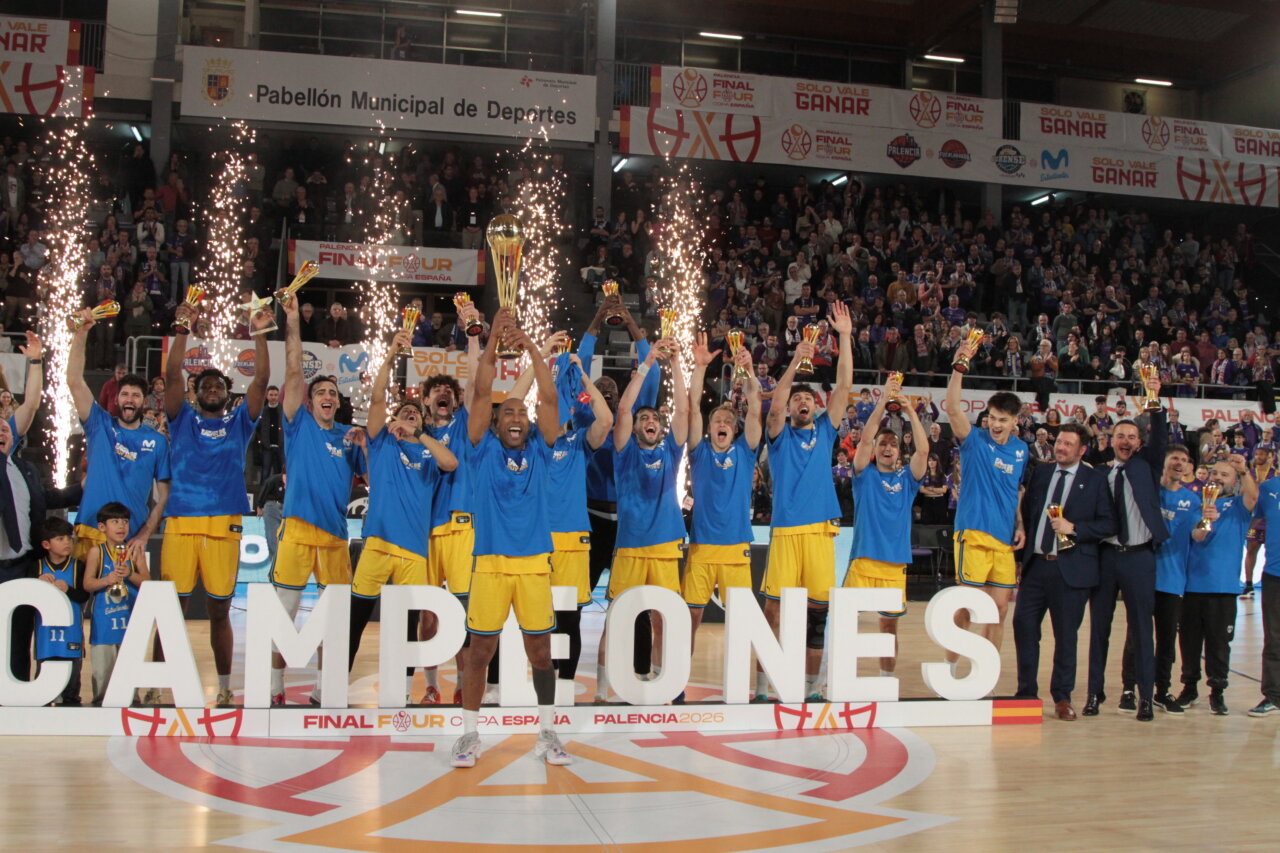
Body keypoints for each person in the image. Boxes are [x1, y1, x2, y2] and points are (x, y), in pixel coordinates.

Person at [451, 308, 570, 768]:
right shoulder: (480, 451)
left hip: (535, 564)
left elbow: (549, 397)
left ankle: (547, 732)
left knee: (540, 651)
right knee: (480, 650)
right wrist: (495, 338)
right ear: (497, 424)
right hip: (490, 565)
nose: (518, 416)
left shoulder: (543, 447)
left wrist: (534, 348)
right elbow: (482, 392)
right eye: (510, 413)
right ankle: (468, 735)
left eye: (522, 412)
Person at [157, 299, 270, 707]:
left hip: (224, 522)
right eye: (204, 386)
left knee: (220, 611)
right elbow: (171, 373)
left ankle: (224, 685)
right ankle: (156, 683)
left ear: (226, 393)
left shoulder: (239, 420)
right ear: (194, 393)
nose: (211, 390)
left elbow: (260, 381)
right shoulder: (180, 417)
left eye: (218, 386)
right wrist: (183, 326)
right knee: (171, 610)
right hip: (182, 520)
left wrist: (257, 333)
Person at [346, 331, 457, 697]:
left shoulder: (429, 451)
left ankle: (399, 691)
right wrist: (392, 353)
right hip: (377, 542)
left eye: (414, 413)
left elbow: (450, 462)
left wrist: (419, 433)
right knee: (356, 617)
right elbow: (377, 397)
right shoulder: (380, 443)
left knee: (410, 625)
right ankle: (329, 686)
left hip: (414, 550)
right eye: (403, 412)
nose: (409, 415)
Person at [507, 336, 614, 699]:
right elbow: (511, 404)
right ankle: (543, 687)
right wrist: (539, 356)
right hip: (535, 539)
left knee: (570, 618)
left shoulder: (579, 442)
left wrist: (584, 378)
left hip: (573, 540)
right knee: (538, 618)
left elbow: (607, 418)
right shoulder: (529, 439)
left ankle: (564, 688)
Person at [757, 300, 853, 702]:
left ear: (816, 406)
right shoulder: (779, 438)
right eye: (799, 400)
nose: (802, 403)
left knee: (818, 616)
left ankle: (813, 690)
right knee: (772, 613)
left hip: (820, 533)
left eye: (808, 401)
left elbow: (845, 387)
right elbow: (775, 404)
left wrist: (845, 338)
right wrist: (796, 362)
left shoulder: (827, 433)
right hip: (786, 531)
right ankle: (763, 689)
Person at [269, 291, 358, 706]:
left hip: (336, 537)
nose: (328, 396)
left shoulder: (349, 436)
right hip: (298, 532)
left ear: (338, 404)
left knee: (332, 622)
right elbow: (292, 370)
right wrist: (291, 321)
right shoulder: (297, 424)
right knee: (283, 614)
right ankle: (273, 689)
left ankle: (325, 690)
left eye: (333, 394)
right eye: (321, 391)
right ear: (309, 399)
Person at [595, 335, 689, 702]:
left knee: (667, 619)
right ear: (634, 428)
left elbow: (683, 412)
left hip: (666, 543)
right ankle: (602, 689)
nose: (649, 420)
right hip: (631, 544)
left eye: (654, 417)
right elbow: (623, 410)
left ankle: (669, 683)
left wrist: (677, 365)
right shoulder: (624, 450)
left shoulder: (671, 450)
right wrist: (648, 362)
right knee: (618, 617)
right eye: (643, 418)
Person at [1013, 423, 1116, 720]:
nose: (1060, 447)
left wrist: (1076, 529)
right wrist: (1021, 555)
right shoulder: (1043, 473)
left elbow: (1109, 524)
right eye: (1059, 442)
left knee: (1066, 637)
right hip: (1036, 567)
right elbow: (1031, 516)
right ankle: (1026, 693)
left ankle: (1061, 697)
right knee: (1024, 628)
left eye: (1068, 444)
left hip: (1071, 571)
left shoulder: (1095, 480)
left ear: (1082, 449)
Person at [1084, 371, 1167, 721]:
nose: (1126, 440)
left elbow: (1159, 436)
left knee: (1142, 631)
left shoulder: (1147, 465)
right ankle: (1093, 694)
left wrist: (1154, 400)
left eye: (1132, 436)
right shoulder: (1099, 473)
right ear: (1111, 439)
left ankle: (1145, 697)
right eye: (1121, 435)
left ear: (1138, 442)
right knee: (1099, 629)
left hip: (1139, 558)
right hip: (1105, 557)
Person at [943, 336, 1028, 671]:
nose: (996, 424)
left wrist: (1019, 522)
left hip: (1003, 540)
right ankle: (949, 669)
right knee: (967, 605)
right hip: (974, 534)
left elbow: (1014, 490)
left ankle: (986, 672)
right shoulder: (974, 441)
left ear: (1015, 422)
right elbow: (951, 407)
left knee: (1000, 610)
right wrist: (959, 365)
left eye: (1003, 420)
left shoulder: (1021, 450)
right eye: (992, 417)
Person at [67, 311, 171, 565]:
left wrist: (146, 533)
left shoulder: (157, 442)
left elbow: (166, 495)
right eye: (125, 394)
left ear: (144, 402)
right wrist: (81, 334)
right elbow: (73, 381)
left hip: (130, 537)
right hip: (90, 532)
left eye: (135, 396)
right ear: (116, 398)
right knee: (82, 601)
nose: (129, 399)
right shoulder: (99, 425)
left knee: (125, 604)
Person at [845, 372, 927, 676]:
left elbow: (924, 451)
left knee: (889, 628)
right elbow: (865, 438)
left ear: (898, 451)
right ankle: (839, 679)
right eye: (883, 443)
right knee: (846, 623)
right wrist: (882, 403)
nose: (887, 446)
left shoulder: (907, 479)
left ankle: (885, 681)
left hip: (894, 564)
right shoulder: (863, 475)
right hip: (863, 559)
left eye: (893, 443)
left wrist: (909, 411)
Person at [684, 335, 761, 660]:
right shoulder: (699, 452)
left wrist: (750, 371)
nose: (724, 423)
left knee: (744, 622)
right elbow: (692, 411)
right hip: (701, 545)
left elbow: (756, 410)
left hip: (735, 547)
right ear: (710, 427)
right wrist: (700, 368)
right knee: (690, 618)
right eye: (718, 420)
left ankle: (743, 681)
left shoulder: (745, 452)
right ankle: (678, 681)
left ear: (735, 429)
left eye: (729, 421)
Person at [417, 316, 480, 704]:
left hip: (460, 529)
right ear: (424, 400)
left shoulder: (464, 426)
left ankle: (460, 683)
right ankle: (429, 684)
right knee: (427, 615)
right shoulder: (410, 431)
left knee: (458, 612)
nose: (443, 393)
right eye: (435, 389)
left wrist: (473, 335)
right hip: (423, 531)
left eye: (448, 390)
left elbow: (475, 381)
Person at [0, 418, 82, 685]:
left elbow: (46, 499)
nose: (1, 432)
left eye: (4, 428)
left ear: (13, 438)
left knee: (20, 635)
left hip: (21, 566)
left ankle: (17, 693)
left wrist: (81, 488)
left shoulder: (26, 469)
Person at [1118, 445, 1199, 715]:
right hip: (1143, 575)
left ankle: (1161, 691)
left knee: (1166, 642)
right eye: (1174, 457)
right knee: (1136, 637)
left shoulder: (1195, 500)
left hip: (1173, 579)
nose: (1180, 462)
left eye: (1184, 460)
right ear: (1163, 463)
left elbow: (1198, 536)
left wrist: (1208, 521)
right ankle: (1129, 690)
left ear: (1189, 468)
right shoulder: (1149, 492)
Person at [1179, 455, 1257, 715]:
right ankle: (1189, 688)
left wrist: (1244, 470)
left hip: (1223, 589)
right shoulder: (1194, 506)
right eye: (1215, 474)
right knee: (1189, 642)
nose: (1218, 478)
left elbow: (1254, 497)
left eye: (1225, 475)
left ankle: (1217, 691)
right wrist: (1206, 518)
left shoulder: (1238, 507)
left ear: (1235, 483)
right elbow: (1197, 537)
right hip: (1192, 588)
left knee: (1219, 644)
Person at [82, 503, 150, 706]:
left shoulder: (134, 550)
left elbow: (147, 581)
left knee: (130, 664)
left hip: (129, 615)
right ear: (102, 527)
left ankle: (133, 701)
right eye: (115, 521)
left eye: (125, 522)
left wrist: (130, 574)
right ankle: (100, 702)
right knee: (103, 668)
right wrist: (106, 580)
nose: (121, 526)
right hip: (104, 618)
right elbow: (87, 584)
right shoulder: (97, 552)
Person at [33, 518, 88, 706]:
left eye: (69, 538)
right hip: (46, 634)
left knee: (72, 678)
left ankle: (71, 703)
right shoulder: (37, 567)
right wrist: (36, 583)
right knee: (44, 674)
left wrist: (69, 590)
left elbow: (83, 597)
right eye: (60, 539)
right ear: (46, 544)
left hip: (71, 630)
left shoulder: (77, 566)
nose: (67, 542)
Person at [1248, 455, 1280, 717]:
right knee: (1274, 638)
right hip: (1274, 574)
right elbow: (1255, 520)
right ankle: (1273, 696)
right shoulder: (1269, 489)